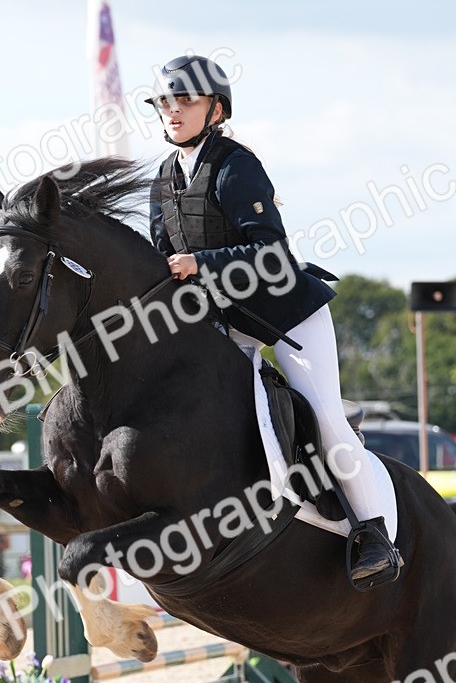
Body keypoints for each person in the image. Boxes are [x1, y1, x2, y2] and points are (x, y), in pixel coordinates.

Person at [145, 54, 401, 590]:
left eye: (184, 101)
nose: (172, 111)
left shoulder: (236, 166)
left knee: (326, 416)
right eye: (165, 102)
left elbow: (274, 256)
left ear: (216, 109)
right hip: (226, 323)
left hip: (287, 315)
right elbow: (160, 260)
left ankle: (373, 535)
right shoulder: (163, 180)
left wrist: (202, 265)